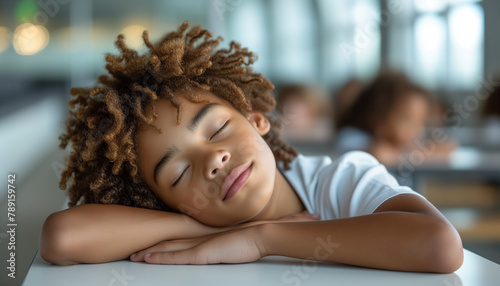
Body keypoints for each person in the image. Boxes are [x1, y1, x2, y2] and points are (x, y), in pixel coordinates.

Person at [40, 22, 463, 273]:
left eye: (218, 128)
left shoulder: (340, 180)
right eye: (178, 173)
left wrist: (263, 239)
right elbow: (62, 236)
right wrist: (217, 230)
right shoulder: (189, 225)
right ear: (166, 204)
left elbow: (440, 246)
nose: (212, 160)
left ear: (257, 119)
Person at [334, 72, 455, 167]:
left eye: (421, 121)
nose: (416, 128)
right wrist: (416, 154)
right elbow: (380, 154)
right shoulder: (351, 136)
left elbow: (448, 148)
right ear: (378, 115)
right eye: (406, 119)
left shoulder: (404, 144)